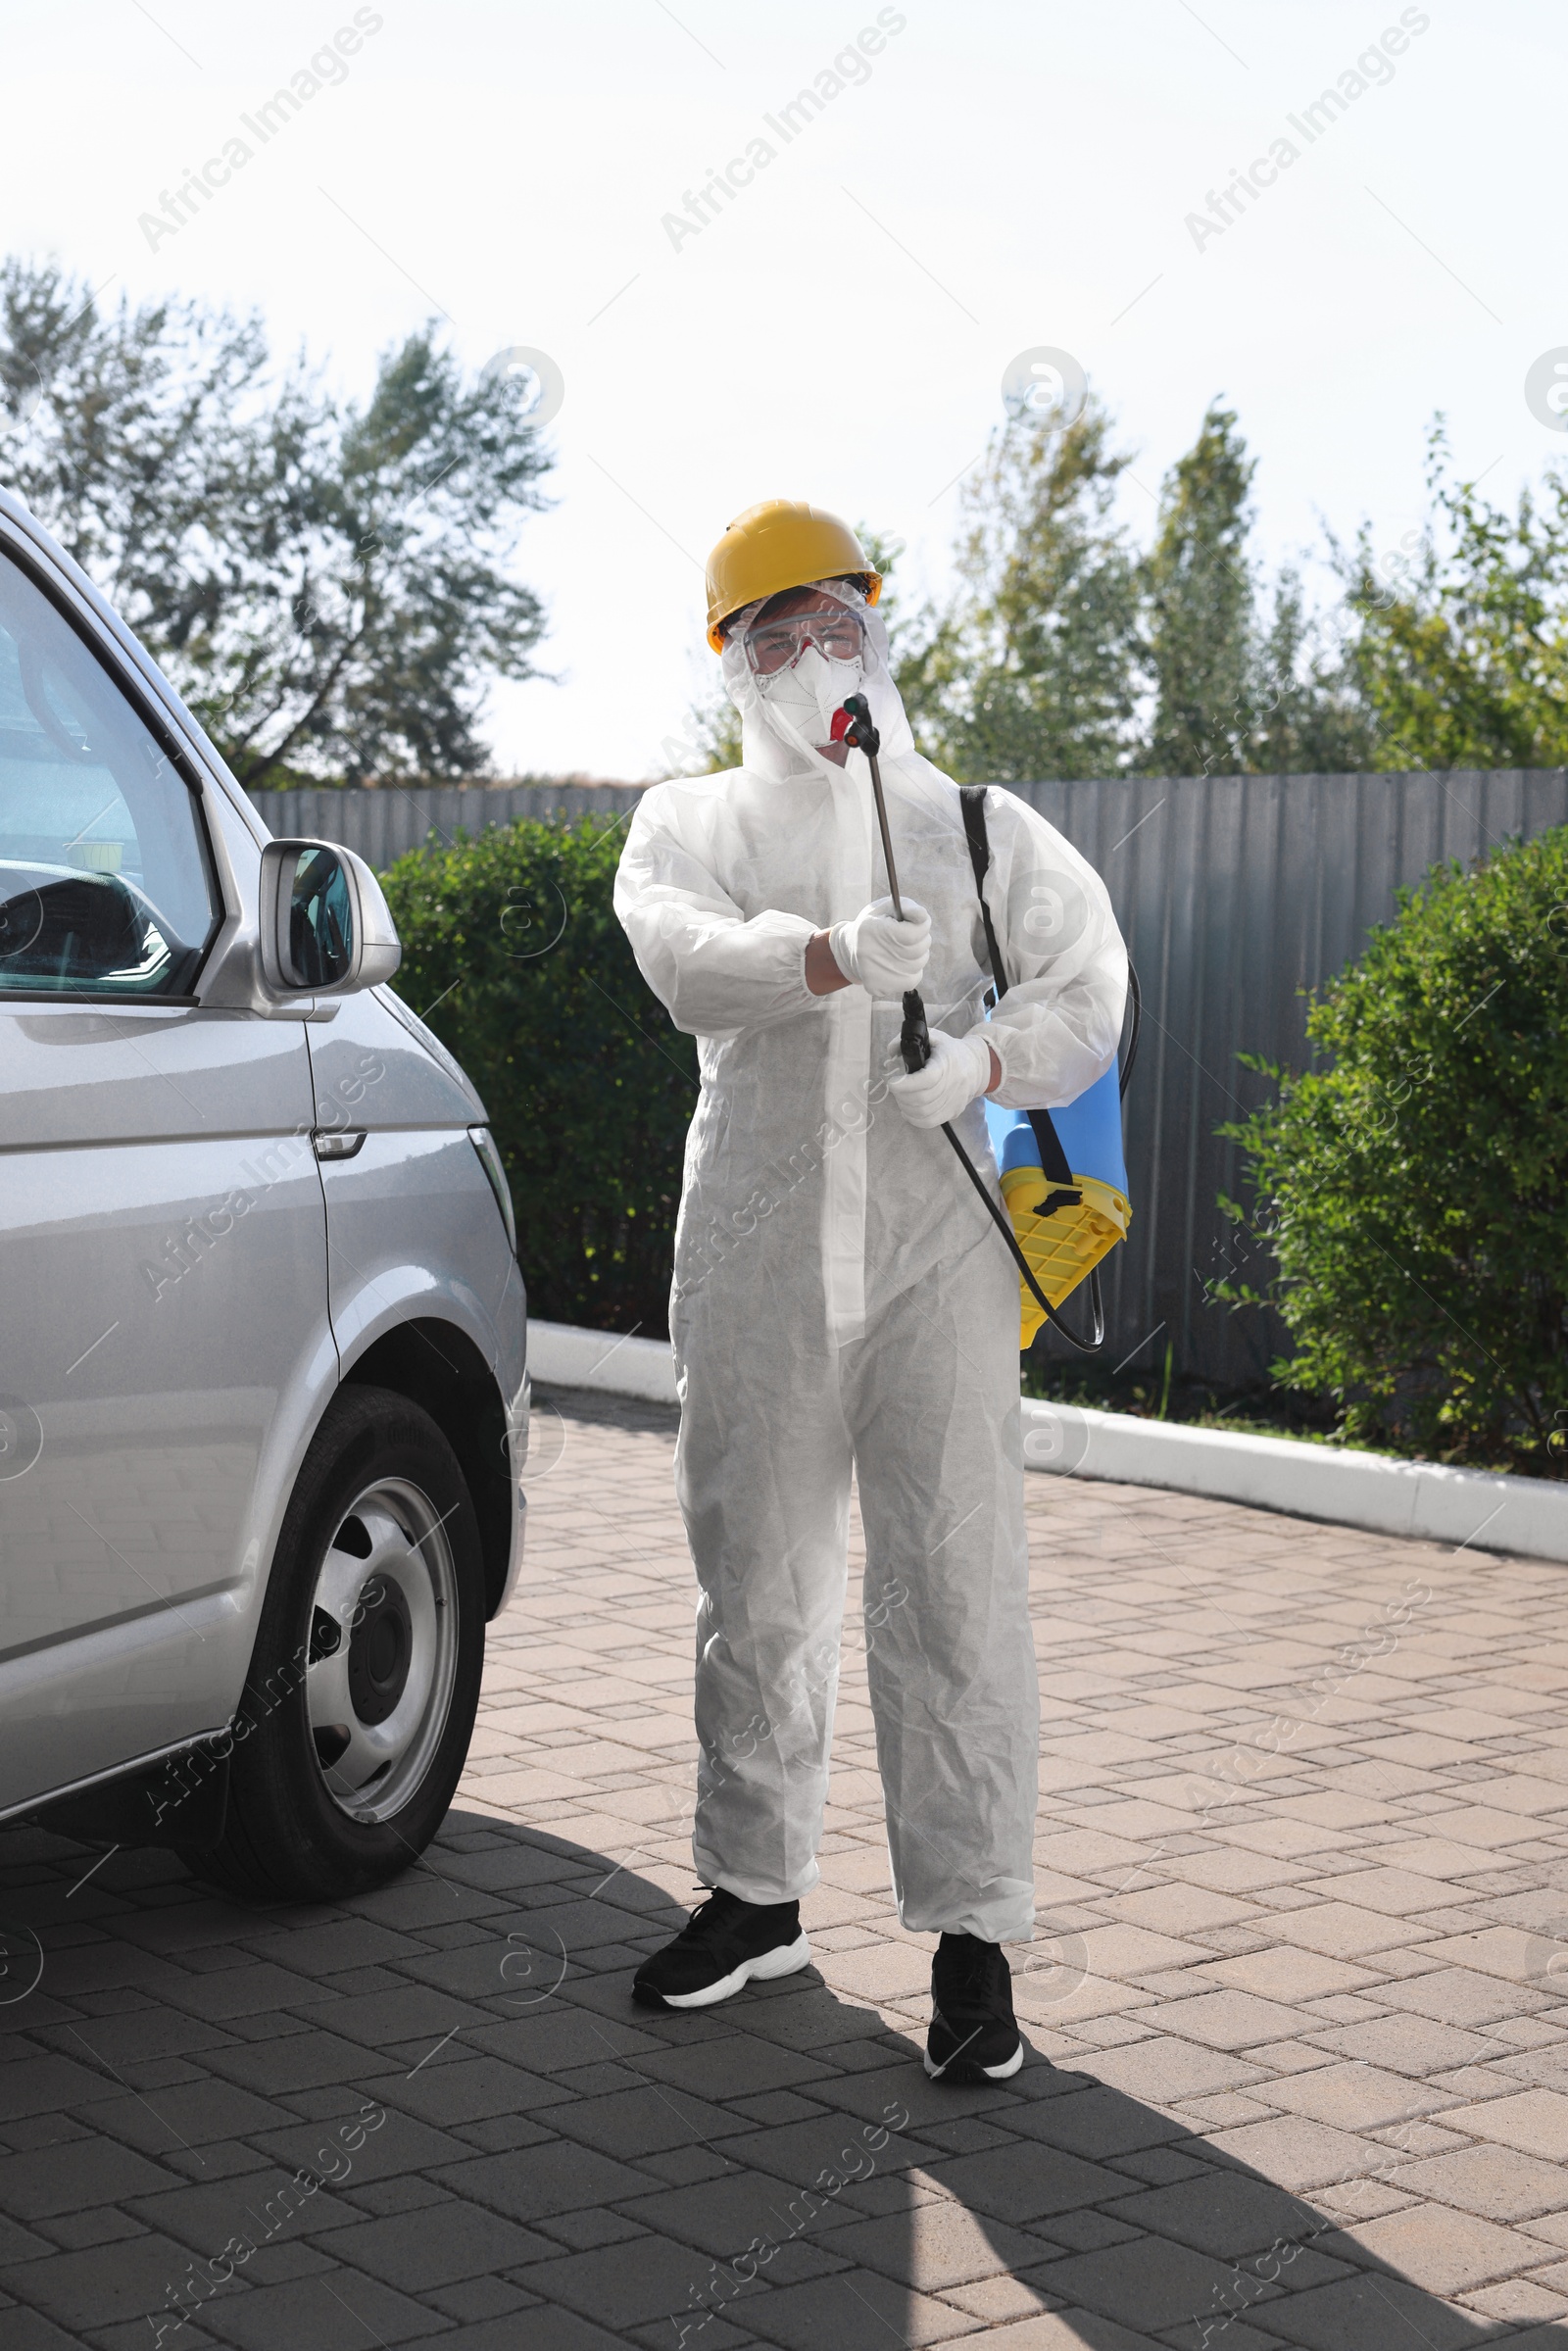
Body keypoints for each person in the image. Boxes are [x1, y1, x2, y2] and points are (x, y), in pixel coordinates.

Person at [613, 501, 1126, 2082]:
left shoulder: (973, 821)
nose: (812, 652)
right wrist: (828, 955)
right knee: (752, 1582)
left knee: (951, 1586)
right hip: (759, 1264)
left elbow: (1088, 983)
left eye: (837, 621)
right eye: (777, 633)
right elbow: (682, 963)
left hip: (935, 1265)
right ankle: (757, 1896)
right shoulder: (691, 820)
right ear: (734, 663)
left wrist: (980, 1057)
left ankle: (976, 1945)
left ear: (876, 636)